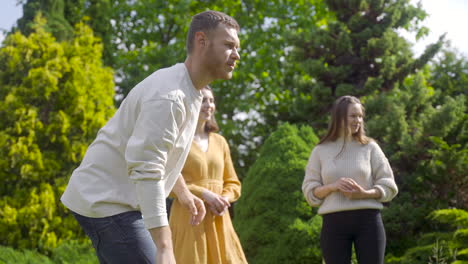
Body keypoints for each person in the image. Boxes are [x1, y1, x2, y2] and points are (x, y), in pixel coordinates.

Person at [60, 10, 241, 264]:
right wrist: (165, 245)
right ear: (201, 41)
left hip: (121, 202)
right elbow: (147, 168)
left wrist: (185, 195)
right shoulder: (170, 96)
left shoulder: (191, 92)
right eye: (229, 45)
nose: (237, 55)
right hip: (106, 202)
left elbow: (162, 155)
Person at [302, 95, 398, 264]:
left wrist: (365, 194)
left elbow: (389, 184)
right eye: (353, 116)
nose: (358, 120)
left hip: (368, 221)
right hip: (334, 224)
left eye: (360, 116)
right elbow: (310, 190)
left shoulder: (370, 147)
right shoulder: (320, 150)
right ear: (339, 118)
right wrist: (332, 187)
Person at [169, 86, 248, 264]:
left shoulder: (220, 142)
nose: (209, 105)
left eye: (211, 100)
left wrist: (223, 199)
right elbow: (169, 181)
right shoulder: (178, 141)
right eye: (203, 100)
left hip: (219, 217)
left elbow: (233, 182)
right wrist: (204, 194)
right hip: (189, 216)